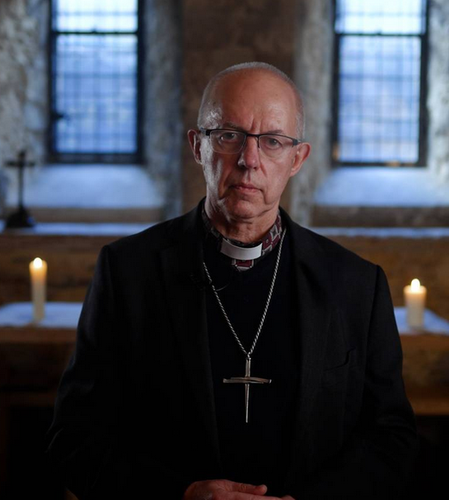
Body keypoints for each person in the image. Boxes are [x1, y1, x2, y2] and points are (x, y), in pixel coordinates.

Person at [46, 62, 417, 499]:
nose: (249, 160)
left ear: (297, 159)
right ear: (197, 146)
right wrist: (179, 496)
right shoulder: (128, 273)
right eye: (228, 135)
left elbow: (392, 438)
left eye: (273, 142)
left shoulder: (357, 285)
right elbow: (73, 439)